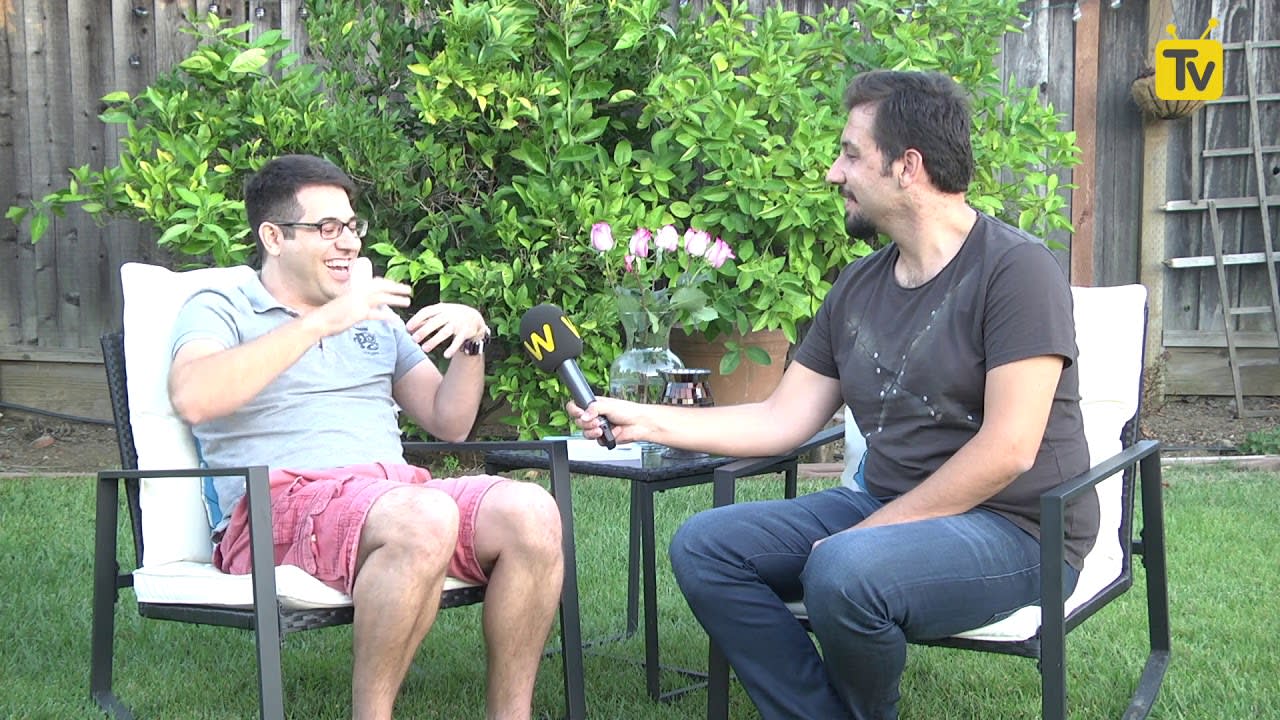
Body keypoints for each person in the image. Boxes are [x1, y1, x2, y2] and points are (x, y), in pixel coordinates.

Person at [570, 70, 1098, 719]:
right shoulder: (858, 286)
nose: (832, 172)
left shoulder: (1015, 270)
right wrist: (642, 421)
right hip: (886, 506)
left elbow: (1008, 449)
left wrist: (868, 534)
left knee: (844, 573)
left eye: (850, 154)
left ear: (907, 166)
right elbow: (781, 418)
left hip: (1018, 530)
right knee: (705, 547)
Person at [168, 154, 563, 720]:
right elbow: (194, 396)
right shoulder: (220, 306)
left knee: (532, 511)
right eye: (328, 228)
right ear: (274, 237)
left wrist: (471, 342)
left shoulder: (373, 317)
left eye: (352, 226)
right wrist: (324, 320)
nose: (349, 242)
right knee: (423, 516)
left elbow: (448, 421)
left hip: (394, 495)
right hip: (277, 505)